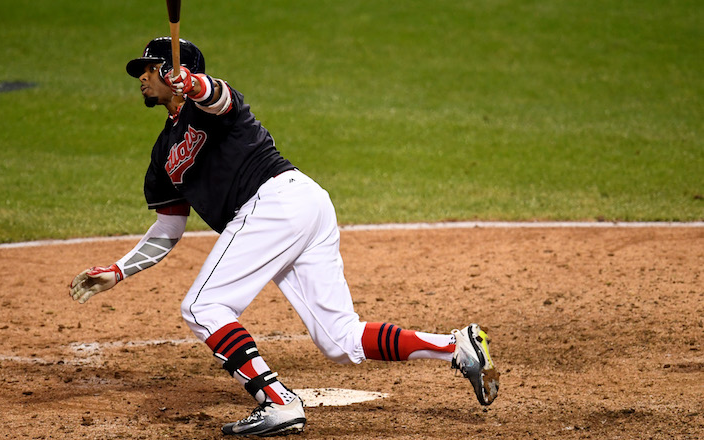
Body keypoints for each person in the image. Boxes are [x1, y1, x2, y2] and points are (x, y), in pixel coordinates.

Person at [69, 37, 499, 437]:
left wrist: (194, 84)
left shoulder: (210, 104)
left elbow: (220, 96)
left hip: (277, 201)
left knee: (202, 308)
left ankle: (277, 401)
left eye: (150, 68)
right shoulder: (163, 153)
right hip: (296, 208)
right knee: (338, 339)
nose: (141, 78)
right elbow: (168, 226)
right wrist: (119, 270)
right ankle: (456, 346)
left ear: (173, 72)